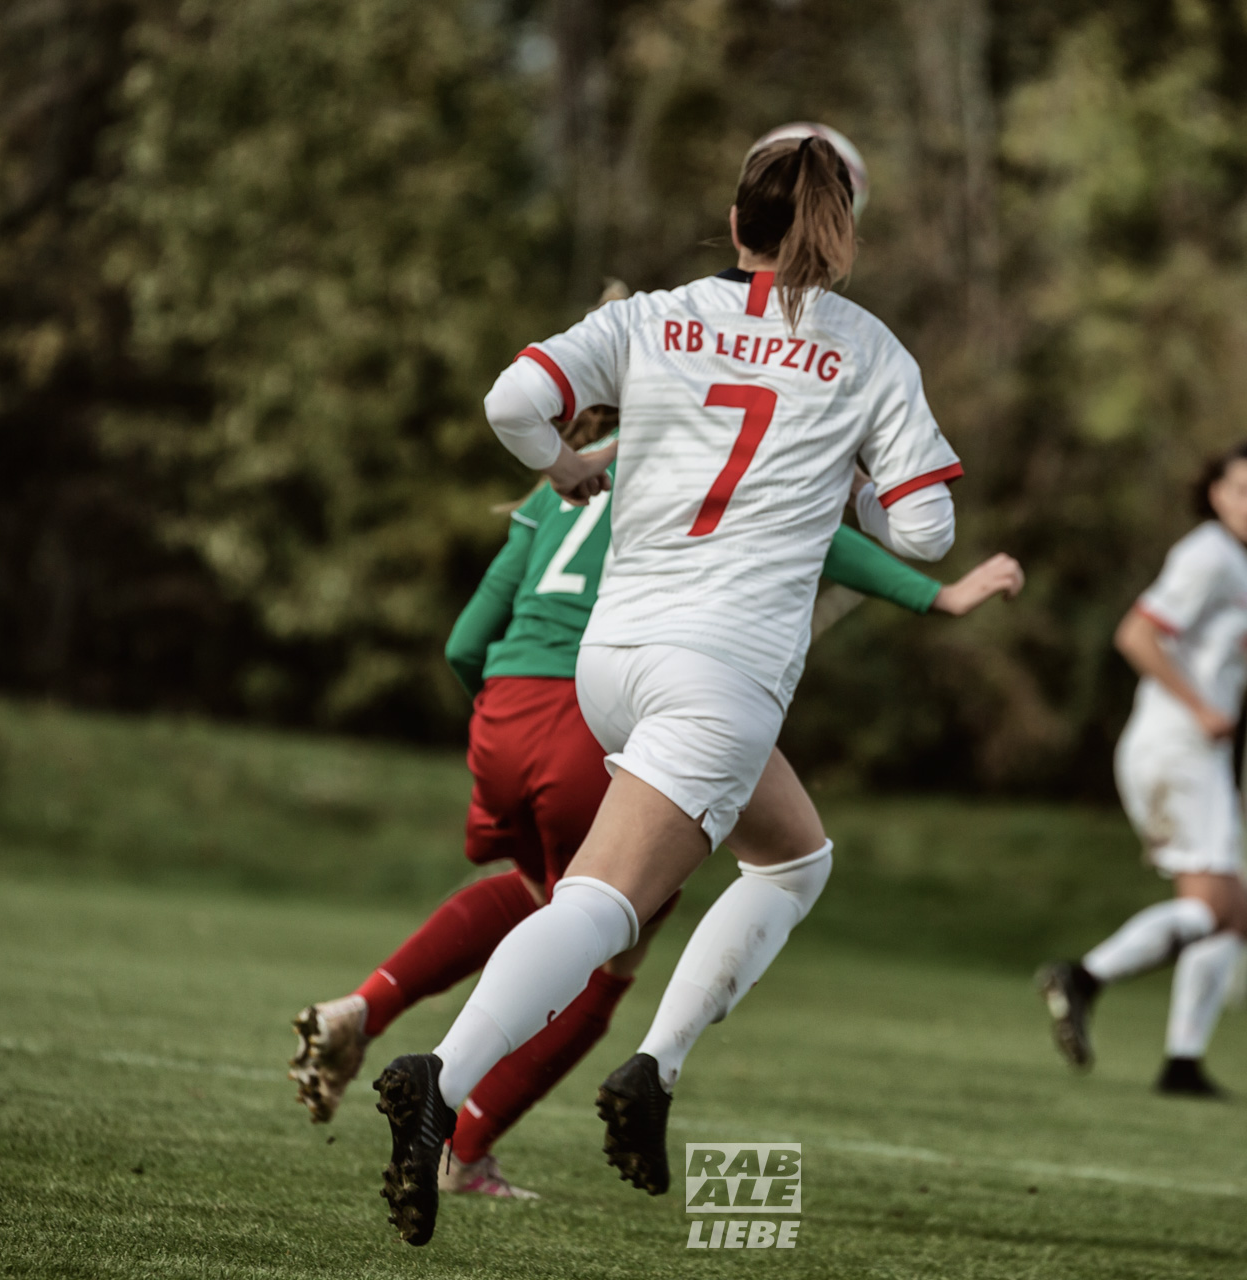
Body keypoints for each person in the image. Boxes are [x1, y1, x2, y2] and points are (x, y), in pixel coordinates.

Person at [367, 132, 964, 1247]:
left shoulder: (652, 314)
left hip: (613, 659)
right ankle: (439, 1076)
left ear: (737, 224)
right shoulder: (869, 350)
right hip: (723, 669)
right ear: (845, 235)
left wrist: (568, 468)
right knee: (603, 903)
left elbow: (512, 401)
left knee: (794, 854)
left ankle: (653, 1064)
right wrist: (854, 491)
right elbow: (929, 527)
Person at [288, 400, 1019, 1199]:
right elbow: (814, 529)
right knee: (607, 933)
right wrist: (935, 597)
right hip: (617, 699)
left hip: (505, 711)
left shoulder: (561, 483)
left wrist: (497, 716)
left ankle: (367, 1005)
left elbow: (465, 641)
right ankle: (466, 1136)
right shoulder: (712, 449)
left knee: (542, 897)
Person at [1035, 440, 1247, 1097]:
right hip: (1174, 745)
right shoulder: (1205, 556)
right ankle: (1083, 976)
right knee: (1216, 907)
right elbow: (1136, 634)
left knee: (1238, 912)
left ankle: (1181, 1063)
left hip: (1199, 753)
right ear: (1217, 493)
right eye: (1243, 490)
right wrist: (1200, 707)